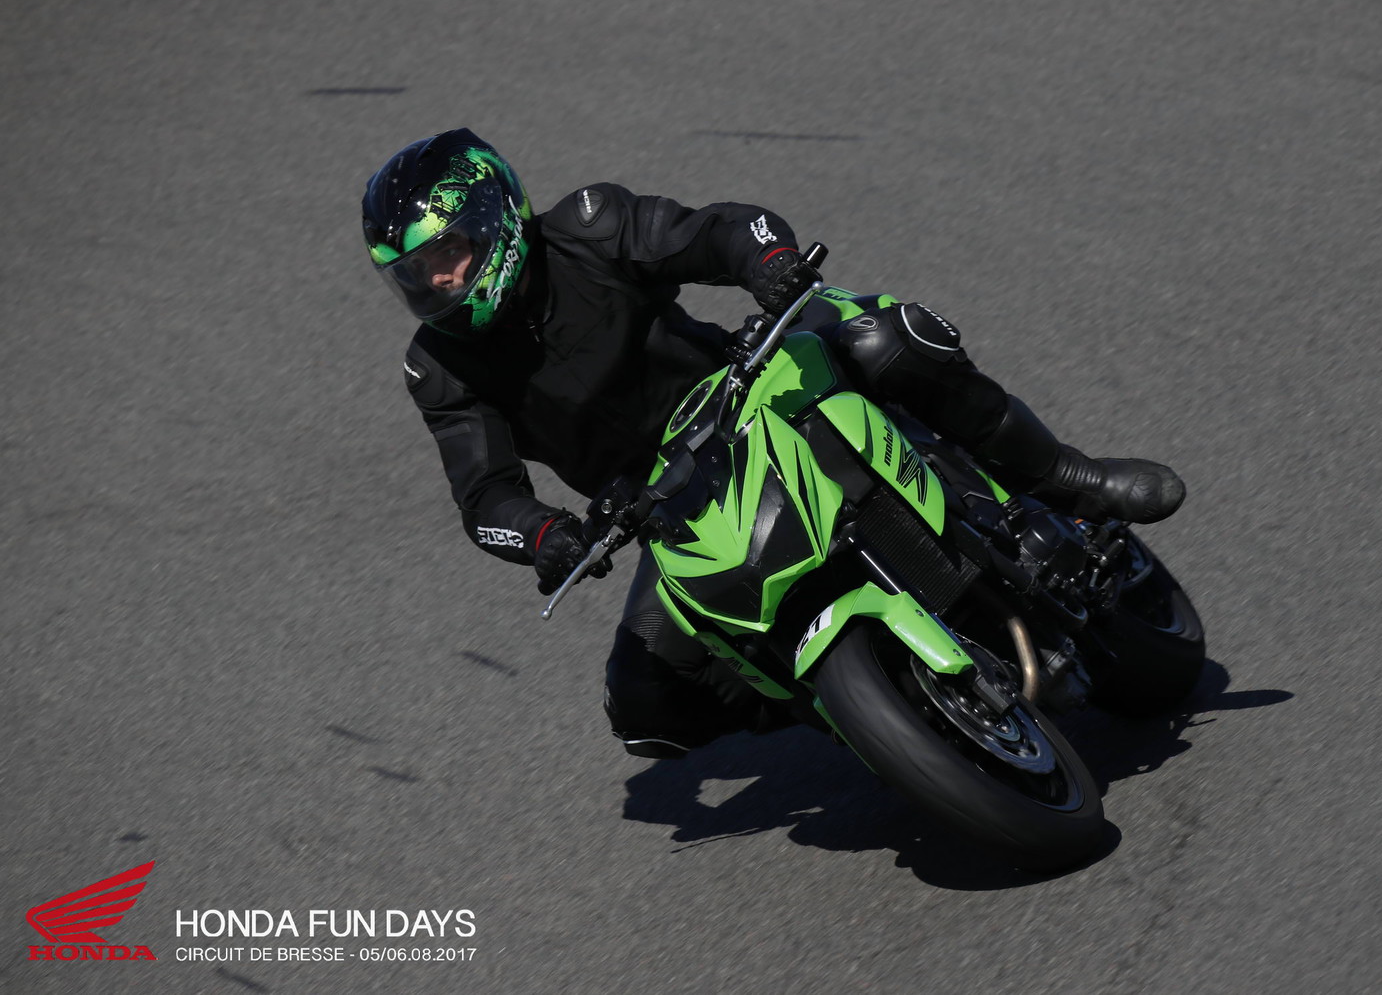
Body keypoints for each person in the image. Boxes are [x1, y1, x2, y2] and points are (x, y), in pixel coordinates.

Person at [363, 128, 1184, 759]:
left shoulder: (590, 225)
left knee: (885, 339)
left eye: (447, 253)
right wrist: (545, 533)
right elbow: (485, 496)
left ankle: (1067, 478)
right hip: (664, 501)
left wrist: (770, 265)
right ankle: (858, 706)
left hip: (750, 383)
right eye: (414, 274)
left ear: (495, 218)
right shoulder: (439, 369)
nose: (438, 281)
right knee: (642, 708)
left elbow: (725, 230)